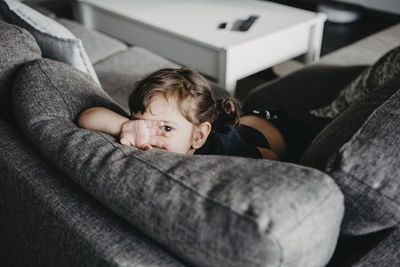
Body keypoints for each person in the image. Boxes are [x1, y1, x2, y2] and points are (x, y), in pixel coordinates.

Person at [78, 68, 287, 160]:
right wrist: (125, 125)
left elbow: (271, 156)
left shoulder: (223, 149)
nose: (149, 134)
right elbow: (87, 117)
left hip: (277, 126)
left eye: (167, 128)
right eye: (140, 120)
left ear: (197, 137)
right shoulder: (144, 128)